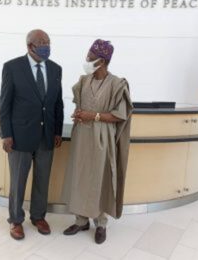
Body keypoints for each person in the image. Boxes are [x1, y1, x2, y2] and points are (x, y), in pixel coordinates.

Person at [62, 39, 133, 244]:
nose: (86, 60)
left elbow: (120, 115)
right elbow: (81, 108)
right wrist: (79, 114)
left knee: (99, 180)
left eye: (90, 57)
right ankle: (81, 220)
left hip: (103, 138)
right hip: (82, 137)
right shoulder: (84, 81)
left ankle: (100, 224)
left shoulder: (117, 84)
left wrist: (93, 116)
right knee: (81, 178)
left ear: (102, 61)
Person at [0, 29, 64, 240]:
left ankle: (38, 216)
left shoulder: (55, 69)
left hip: (46, 136)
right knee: (18, 182)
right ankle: (16, 220)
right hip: (19, 137)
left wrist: (57, 131)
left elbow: (57, 104)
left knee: (42, 180)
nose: (47, 45)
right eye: (42, 42)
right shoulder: (12, 67)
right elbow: (5, 105)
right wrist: (6, 134)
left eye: (48, 41)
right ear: (30, 46)